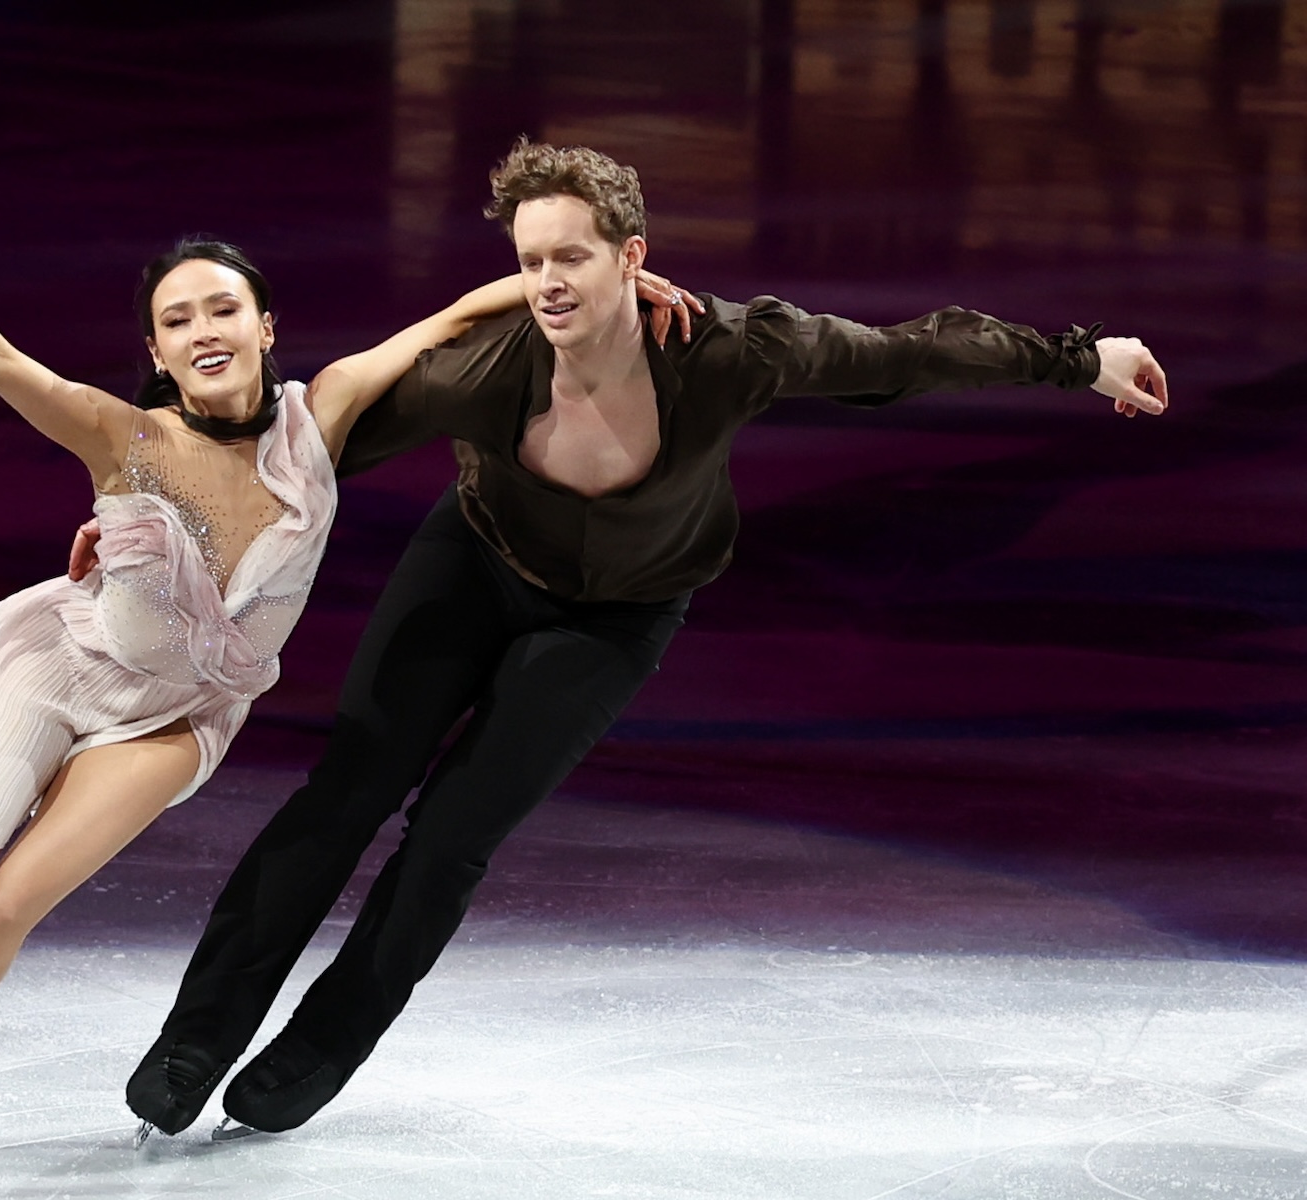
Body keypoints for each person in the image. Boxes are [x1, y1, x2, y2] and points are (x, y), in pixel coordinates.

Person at [120, 139, 1170, 1140]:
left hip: (616, 617)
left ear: (631, 256)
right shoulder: (478, 373)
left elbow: (902, 353)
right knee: (347, 789)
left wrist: (1080, 358)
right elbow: (297, 462)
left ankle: (316, 1052)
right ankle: (193, 1041)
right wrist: (144, 523)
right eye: (529, 261)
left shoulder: (727, 351)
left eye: (570, 257)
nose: (547, 284)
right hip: (472, 567)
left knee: (449, 837)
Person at [0, 240, 694, 1161]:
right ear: (158, 352)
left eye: (222, 309)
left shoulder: (321, 415)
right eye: (177, 319)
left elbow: (452, 320)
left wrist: (587, 283)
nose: (203, 330)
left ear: (264, 327)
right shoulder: (121, 434)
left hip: (178, 715)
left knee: (14, 904)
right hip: (57, 669)